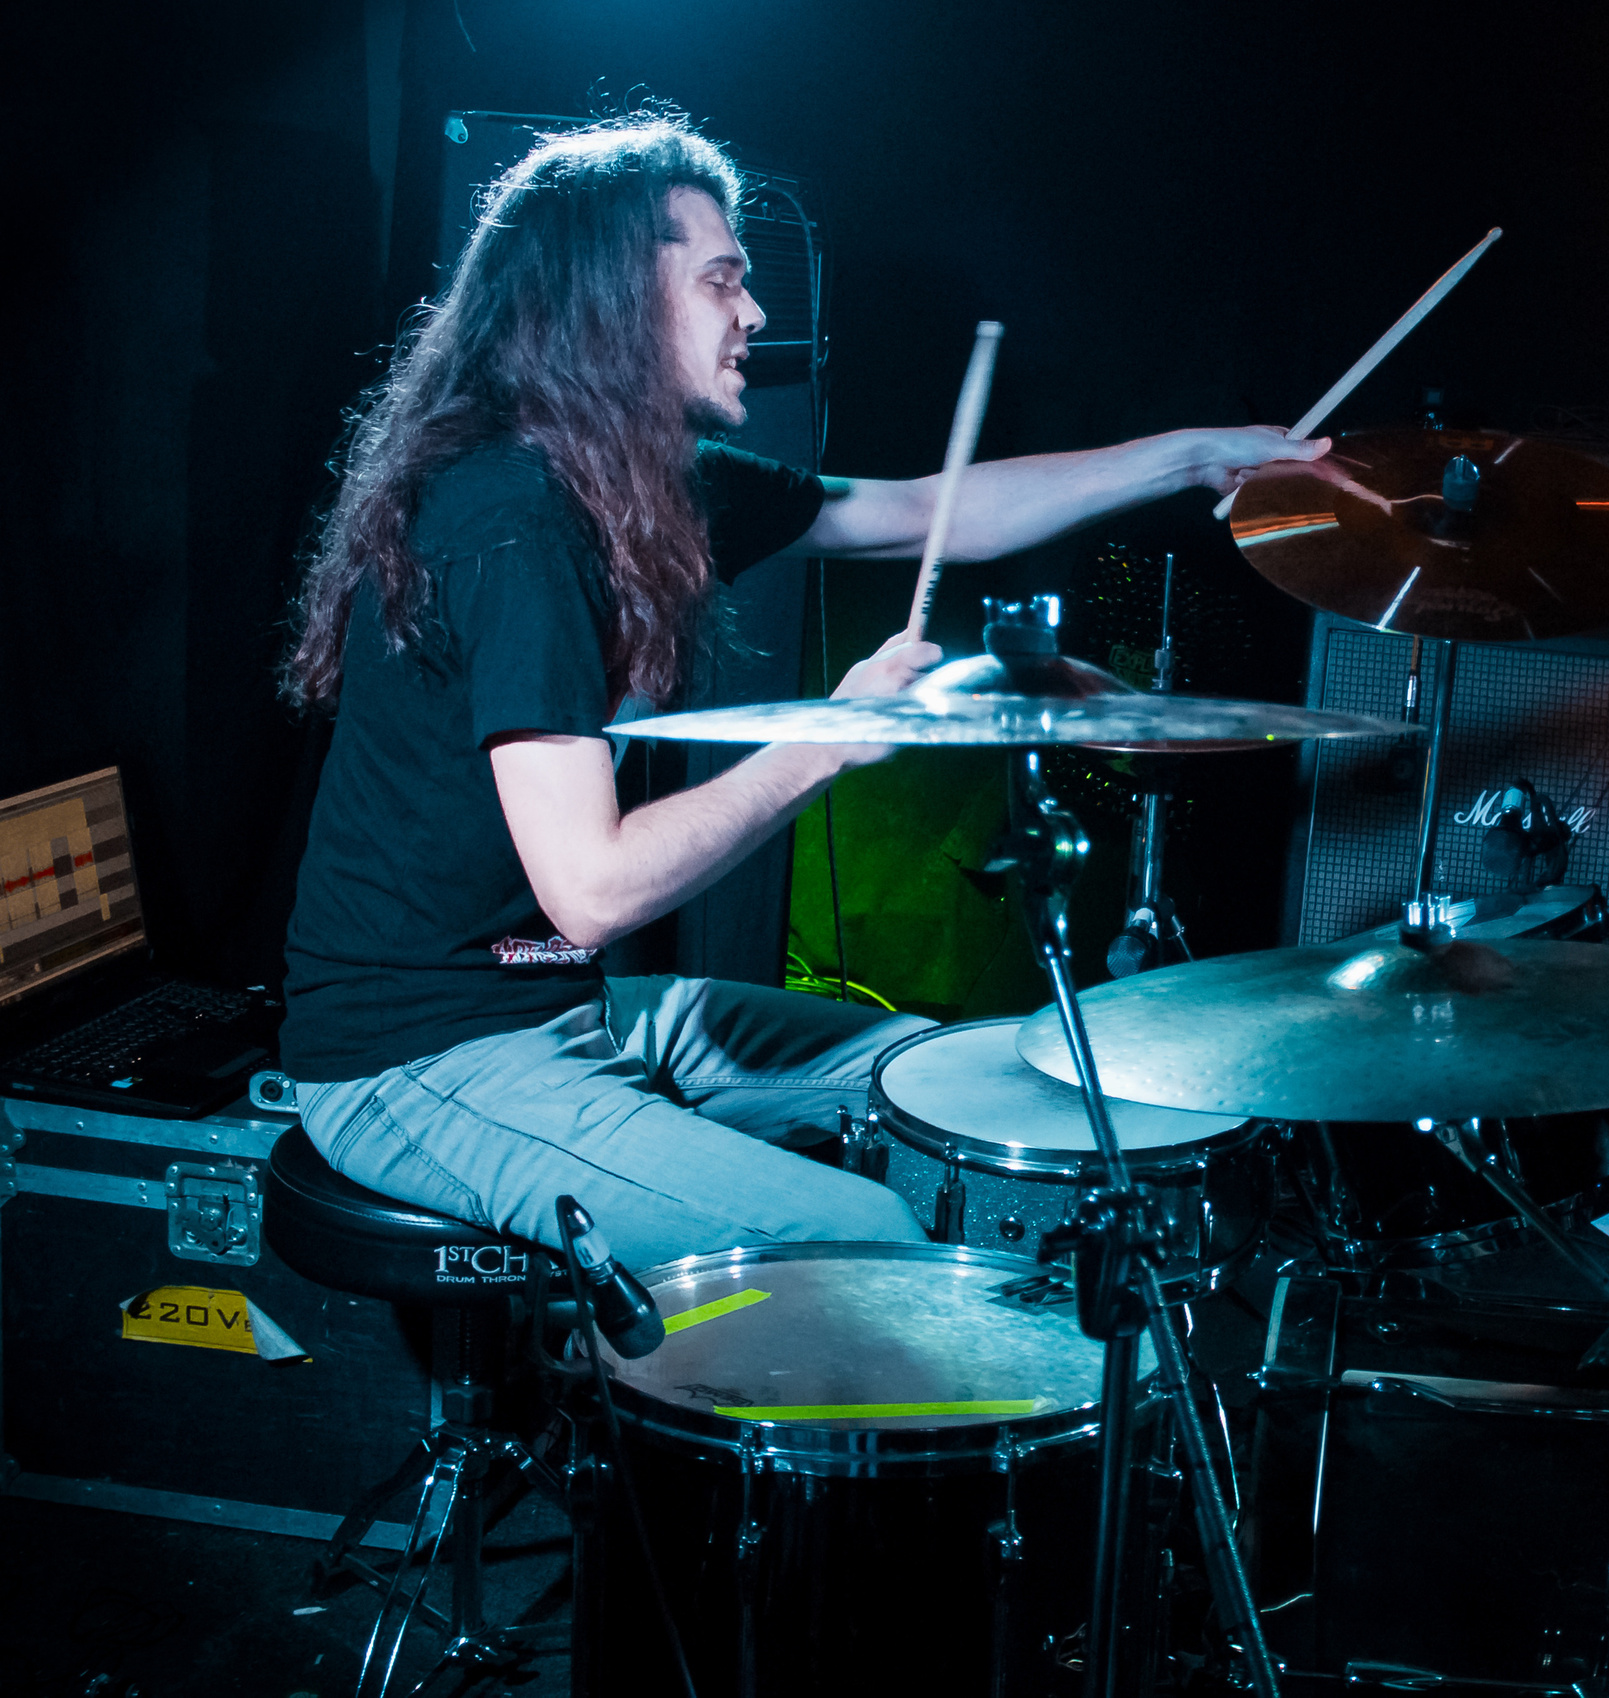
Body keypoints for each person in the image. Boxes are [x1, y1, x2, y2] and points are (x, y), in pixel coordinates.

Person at [276, 114, 1325, 1274]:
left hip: (560, 1012)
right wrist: (837, 732)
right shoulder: (512, 519)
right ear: (609, 298)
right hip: (416, 1058)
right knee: (858, 1237)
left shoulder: (646, 488)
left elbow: (925, 513)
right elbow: (592, 889)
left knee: (958, 1084)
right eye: (722, 280)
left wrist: (1187, 456)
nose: (755, 314)